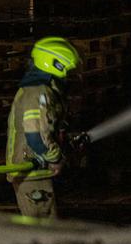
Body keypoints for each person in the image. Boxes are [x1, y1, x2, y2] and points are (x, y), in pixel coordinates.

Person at [5, 37, 80, 218]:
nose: (68, 76)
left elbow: (47, 125)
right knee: (41, 230)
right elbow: (35, 136)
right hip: (31, 173)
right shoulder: (38, 93)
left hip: (37, 173)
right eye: (67, 70)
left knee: (47, 229)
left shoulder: (43, 91)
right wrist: (55, 158)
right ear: (56, 65)